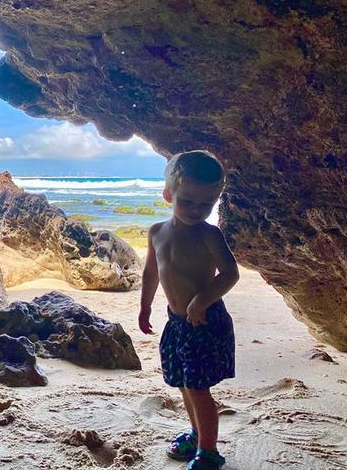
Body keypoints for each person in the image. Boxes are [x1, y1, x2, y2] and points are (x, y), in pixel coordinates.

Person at [139, 150, 239, 470]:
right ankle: (197, 435)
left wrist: (202, 300)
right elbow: (152, 272)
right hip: (177, 322)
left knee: (198, 387)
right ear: (169, 194)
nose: (197, 210)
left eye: (206, 204)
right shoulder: (157, 232)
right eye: (188, 201)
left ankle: (208, 451)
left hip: (204, 321)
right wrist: (145, 306)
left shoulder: (209, 235)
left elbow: (230, 274)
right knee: (183, 382)